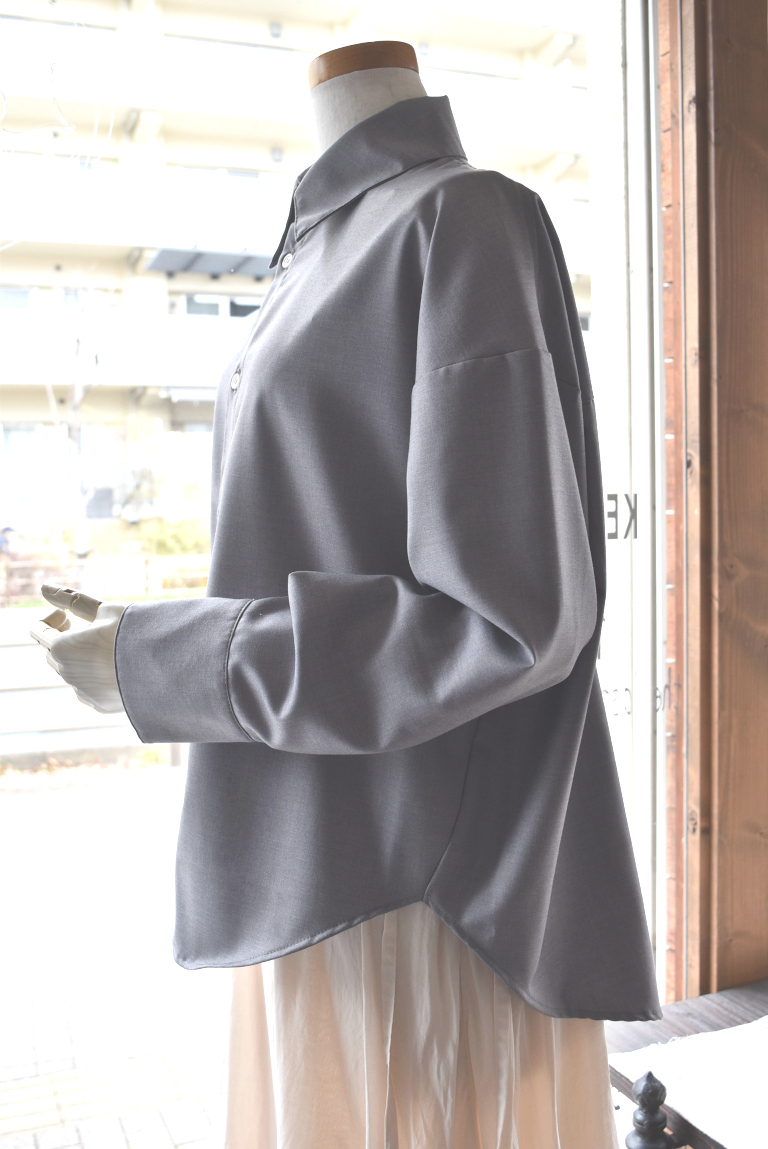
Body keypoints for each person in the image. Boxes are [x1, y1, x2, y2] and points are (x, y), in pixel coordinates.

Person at [35, 40, 660, 1149]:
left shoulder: (461, 219)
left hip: (421, 897)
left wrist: (171, 658)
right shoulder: (312, 257)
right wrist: (156, 642)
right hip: (314, 868)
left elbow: (507, 620)